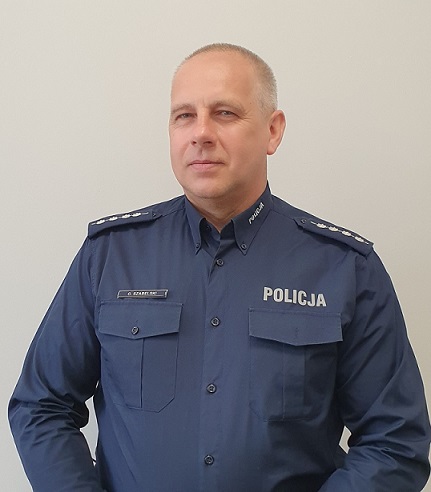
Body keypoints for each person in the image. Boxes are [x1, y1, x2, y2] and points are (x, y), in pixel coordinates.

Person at [9, 43, 431, 492]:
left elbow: (395, 441)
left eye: (225, 113)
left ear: (273, 131)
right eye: (184, 116)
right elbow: (41, 406)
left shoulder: (344, 268)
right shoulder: (110, 256)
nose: (201, 133)